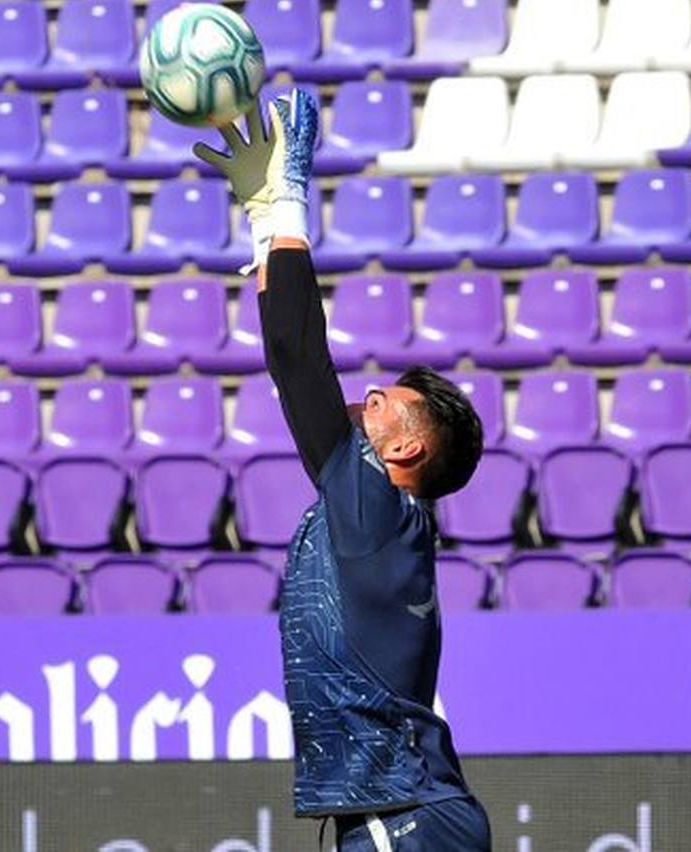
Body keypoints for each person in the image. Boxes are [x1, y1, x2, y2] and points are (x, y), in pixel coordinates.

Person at [193, 91, 493, 852]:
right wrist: (265, 226)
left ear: (404, 453)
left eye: (386, 402)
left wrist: (282, 210)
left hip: (405, 819)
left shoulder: (381, 517)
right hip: (401, 817)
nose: (367, 397)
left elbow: (298, 362)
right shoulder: (373, 522)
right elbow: (289, 359)